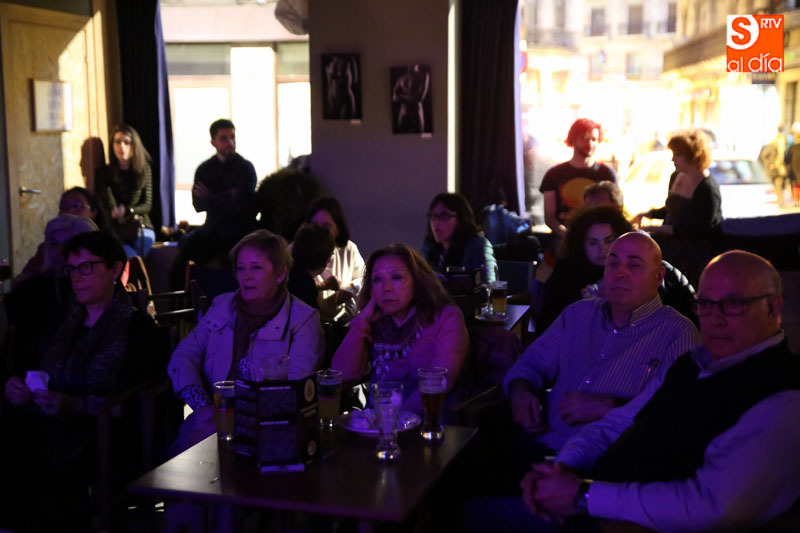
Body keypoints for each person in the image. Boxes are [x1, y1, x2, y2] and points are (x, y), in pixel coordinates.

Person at [513, 251, 800, 532]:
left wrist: (583, 496)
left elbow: (711, 507)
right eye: (706, 304)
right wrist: (564, 470)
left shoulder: (781, 393)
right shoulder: (694, 362)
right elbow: (619, 422)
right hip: (588, 494)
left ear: (772, 308)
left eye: (733, 304)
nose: (715, 318)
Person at [1, 231, 160, 531]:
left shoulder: (136, 327)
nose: (76, 277)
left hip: (98, 430)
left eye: (86, 267)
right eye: (72, 269)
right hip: (48, 418)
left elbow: (134, 400)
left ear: (115, 270)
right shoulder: (64, 320)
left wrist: (73, 404)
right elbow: (34, 367)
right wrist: (19, 386)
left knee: (20, 447)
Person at [504, 233, 700, 456]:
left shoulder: (678, 333)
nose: (620, 272)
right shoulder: (578, 314)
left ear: (658, 276)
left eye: (634, 265)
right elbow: (530, 364)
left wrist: (610, 406)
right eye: (613, 263)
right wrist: (520, 391)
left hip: (613, 461)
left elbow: (679, 411)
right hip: (544, 443)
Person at [168, 230, 324, 454]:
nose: (246, 276)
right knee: (192, 442)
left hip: (272, 425)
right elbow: (184, 356)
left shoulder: (303, 319)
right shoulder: (222, 306)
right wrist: (204, 408)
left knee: (197, 446)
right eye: (241, 268)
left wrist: (238, 420)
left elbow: (294, 390)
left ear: (280, 274)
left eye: (256, 268)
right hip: (213, 416)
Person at [331, 244, 469, 415]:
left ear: (417, 282)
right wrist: (362, 320)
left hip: (429, 420)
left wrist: (393, 420)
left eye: (397, 277)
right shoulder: (375, 320)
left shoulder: (446, 317)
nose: (386, 288)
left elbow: (440, 383)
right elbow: (341, 376)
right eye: (377, 279)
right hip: (376, 420)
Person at [169, 119, 257, 289]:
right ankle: (183, 305)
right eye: (224, 138)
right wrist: (228, 195)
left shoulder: (245, 168)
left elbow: (241, 204)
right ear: (213, 142)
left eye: (232, 137)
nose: (230, 142)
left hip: (239, 230)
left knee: (231, 272)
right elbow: (198, 205)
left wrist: (211, 197)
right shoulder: (204, 169)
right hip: (212, 229)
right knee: (179, 269)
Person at [4, 215, 99, 373]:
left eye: (68, 245)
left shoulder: (98, 288)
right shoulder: (32, 287)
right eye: (54, 244)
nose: (60, 252)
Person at [633, 129, 722, 286]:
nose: (673, 159)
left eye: (678, 154)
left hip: (694, 255)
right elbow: (672, 209)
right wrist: (649, 214)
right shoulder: (676, 176)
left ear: (693, 155)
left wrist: (660, 229)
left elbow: (701, 230)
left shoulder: (707, 187)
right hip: (670, 247)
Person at [536, 205, 632, 333]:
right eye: (593, 242)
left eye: (609, 240)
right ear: (581, 244)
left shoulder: (632, 271)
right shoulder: (565, 274)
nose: (602, 249)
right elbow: (548, 324)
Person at [540, 119, 617, 239]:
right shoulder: (554, 174)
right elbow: (549, 217)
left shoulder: (607, 173)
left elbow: (615, 212)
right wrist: (569, 236)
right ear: (573, 139)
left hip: (598, 239)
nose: (590, 144)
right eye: (584, 138)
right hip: (563, 239)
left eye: (594, 139)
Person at [14, 187, 108, 285]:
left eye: (77, 206)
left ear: (93, 213)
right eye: (63, 207)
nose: (69, 211)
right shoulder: (47, 249)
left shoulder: (104, 248)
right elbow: (21, 281)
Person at [305, 197, 366, 321]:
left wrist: (350, 288)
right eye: (314, 226)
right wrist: (322, 286)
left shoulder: (348, 249)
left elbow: (364, 278)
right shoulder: (296, 250)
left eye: (326, 227)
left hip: (341, 320)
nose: (319, 232)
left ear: (338, 229)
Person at [100, 124, 155, 258]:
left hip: (141, 225)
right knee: (124, 252)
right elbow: (108, 201)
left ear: (134, 146)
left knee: (138, 247)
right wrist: (114, 211)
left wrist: (128, 210)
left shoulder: (143, 169)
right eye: (117, 142)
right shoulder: (106, 172)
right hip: (116, 228)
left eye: (127, 142)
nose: (122, 146)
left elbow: (147, 204)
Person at [421, 192, 497, 283]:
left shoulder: (478, 245)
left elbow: (489, 286)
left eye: (444, 216)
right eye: (433, 216)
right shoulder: (430, 245)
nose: (436, 222)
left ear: (461, 219)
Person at [287, 223, 335, 309]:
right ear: (326, 259)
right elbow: (311, 316)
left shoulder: (286, 272)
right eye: (331, 254)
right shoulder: (307, 287)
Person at [392, 64, 431, 134]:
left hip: (416, 112)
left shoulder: (424, 75)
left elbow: (420, 98)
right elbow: (395, 98)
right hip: (403, 112)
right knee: (401, 137)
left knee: (419, 138)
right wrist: (412, 97)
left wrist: (402, 97)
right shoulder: (401, 78)